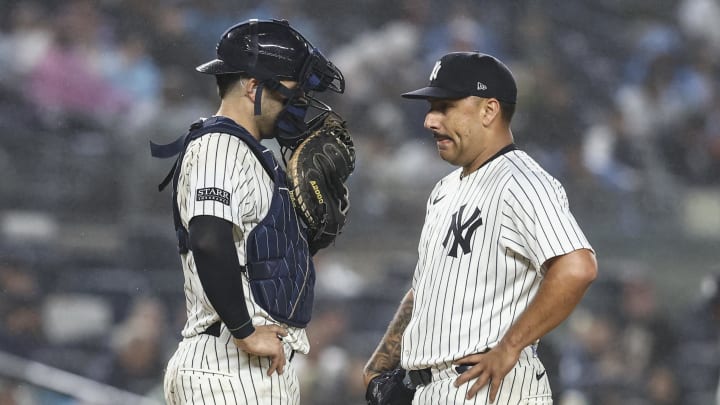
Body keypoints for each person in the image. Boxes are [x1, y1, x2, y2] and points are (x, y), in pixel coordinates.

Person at [363, 52, 598, 404]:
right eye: (430, 107)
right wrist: (377, 369)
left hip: (488, 387)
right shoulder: (445, 189)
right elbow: (423, 289)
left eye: (444, 106)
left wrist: (510, 346)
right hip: (432, 388)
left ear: (489, 110)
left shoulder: (521, 181)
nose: (429, 120)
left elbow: (577, 267)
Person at [155, 19, 344, 404]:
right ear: (253, 86)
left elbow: (265, 258)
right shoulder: (218, 145)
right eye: (292, 92)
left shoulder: (251, 153)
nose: (299, 104)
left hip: (244, 368)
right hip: (229, 365)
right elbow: (208, 239)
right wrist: (244, 330)